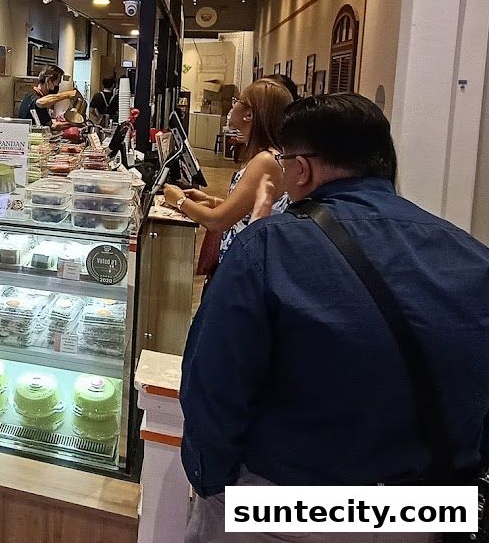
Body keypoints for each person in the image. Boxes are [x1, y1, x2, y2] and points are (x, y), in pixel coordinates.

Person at [181, 95, 489, 543]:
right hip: (428, 512)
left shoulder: (267, 248)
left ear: (301, 170)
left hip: (289, 507)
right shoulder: (471, 255)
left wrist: (214, 486)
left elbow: (212, 386)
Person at [163, 78, 292, 267]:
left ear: (249, 114)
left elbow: (216, 222)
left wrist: (179, 200)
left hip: (245, 268)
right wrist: (213, 201)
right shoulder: (268, 156)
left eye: (237, 101)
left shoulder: (265, 161)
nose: (233, 106)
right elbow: (248, 210)